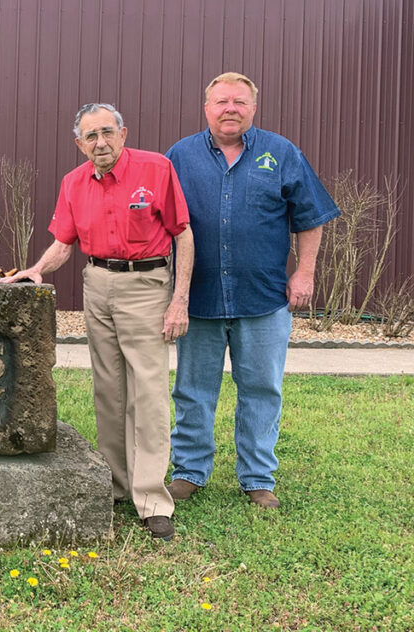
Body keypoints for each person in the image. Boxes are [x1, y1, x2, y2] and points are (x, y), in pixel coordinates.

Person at [1, 103, 193, 541]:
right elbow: (63, 242)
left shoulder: (156, 169)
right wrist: (36, 269)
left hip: (146, 284)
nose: (100, 142)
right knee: (109, 389)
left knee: (147, 391)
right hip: (98, 282)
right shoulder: (73, 182)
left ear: (123, 134)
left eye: (108, 132)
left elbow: (183, 233)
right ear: (79, 144)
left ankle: (152, 499)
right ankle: (117, 485)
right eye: (91, 136)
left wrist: (179, 298)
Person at [165, 72, 340, 509]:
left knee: (261, 388)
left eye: (239, 102)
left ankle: (258, 477)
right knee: (192, 390)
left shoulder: (281, 153)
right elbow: (158, 220)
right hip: (199, 299)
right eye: (222, 101)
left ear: (253, 108)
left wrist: (304, 275)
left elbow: (310, 217)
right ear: (206, 108)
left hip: (262, 299)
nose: (230, 109)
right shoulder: (180, 157)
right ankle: (188, 471)